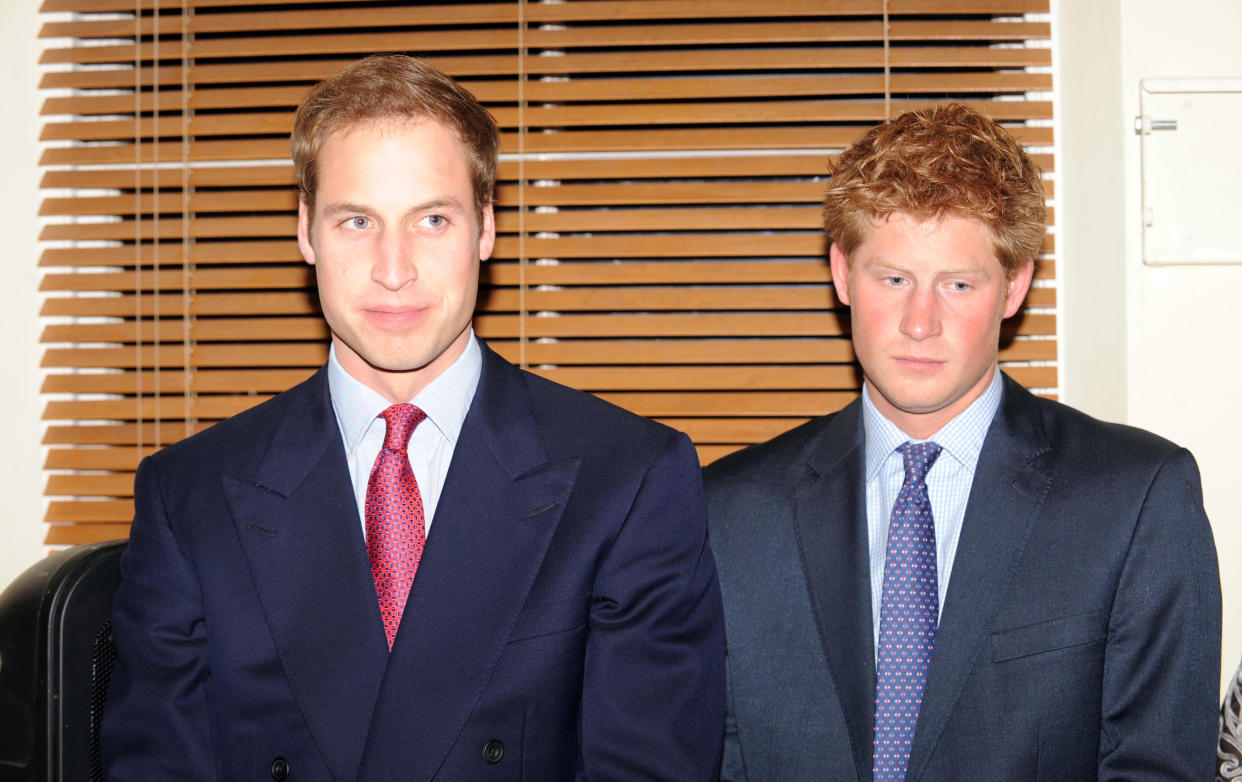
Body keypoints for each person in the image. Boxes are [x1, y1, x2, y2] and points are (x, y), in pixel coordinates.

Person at [102, 54, 725, 781]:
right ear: (306, 232)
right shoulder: (188, 496)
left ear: (485, 229)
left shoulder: (630, 481)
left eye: (432, 219)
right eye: (357, 220)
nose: (393, 268)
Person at [705, 103, 1221, 781]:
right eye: (893, 280)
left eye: (957, 283)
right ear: (841, 274)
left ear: (1014, 285)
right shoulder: (729, 512)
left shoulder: (1136, 499)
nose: (921, 322)